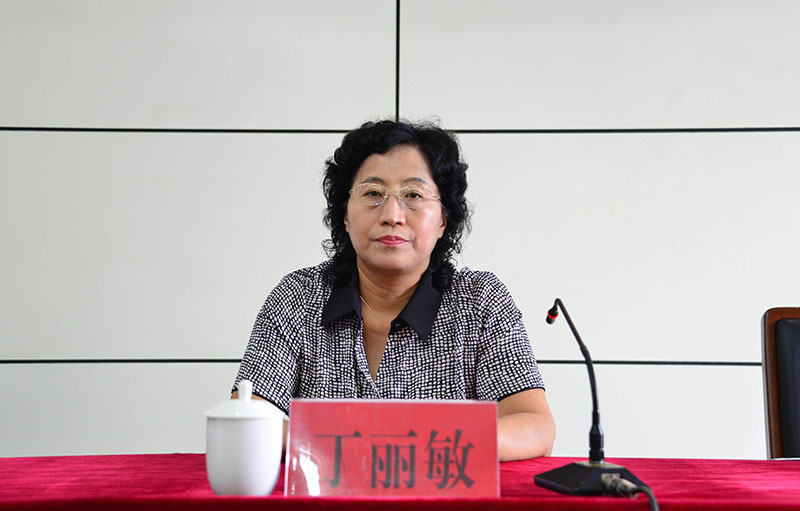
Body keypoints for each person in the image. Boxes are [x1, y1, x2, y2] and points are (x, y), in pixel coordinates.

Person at [232, 119, 555, 461]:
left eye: (413, 195)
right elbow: (246, 417)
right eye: (373, 193)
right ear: (345, 215)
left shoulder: (480, 301)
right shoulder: (299, 296)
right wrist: (368, 445)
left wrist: (410, 446)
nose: (392, 215)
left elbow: (535, 427)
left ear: (443, 220)